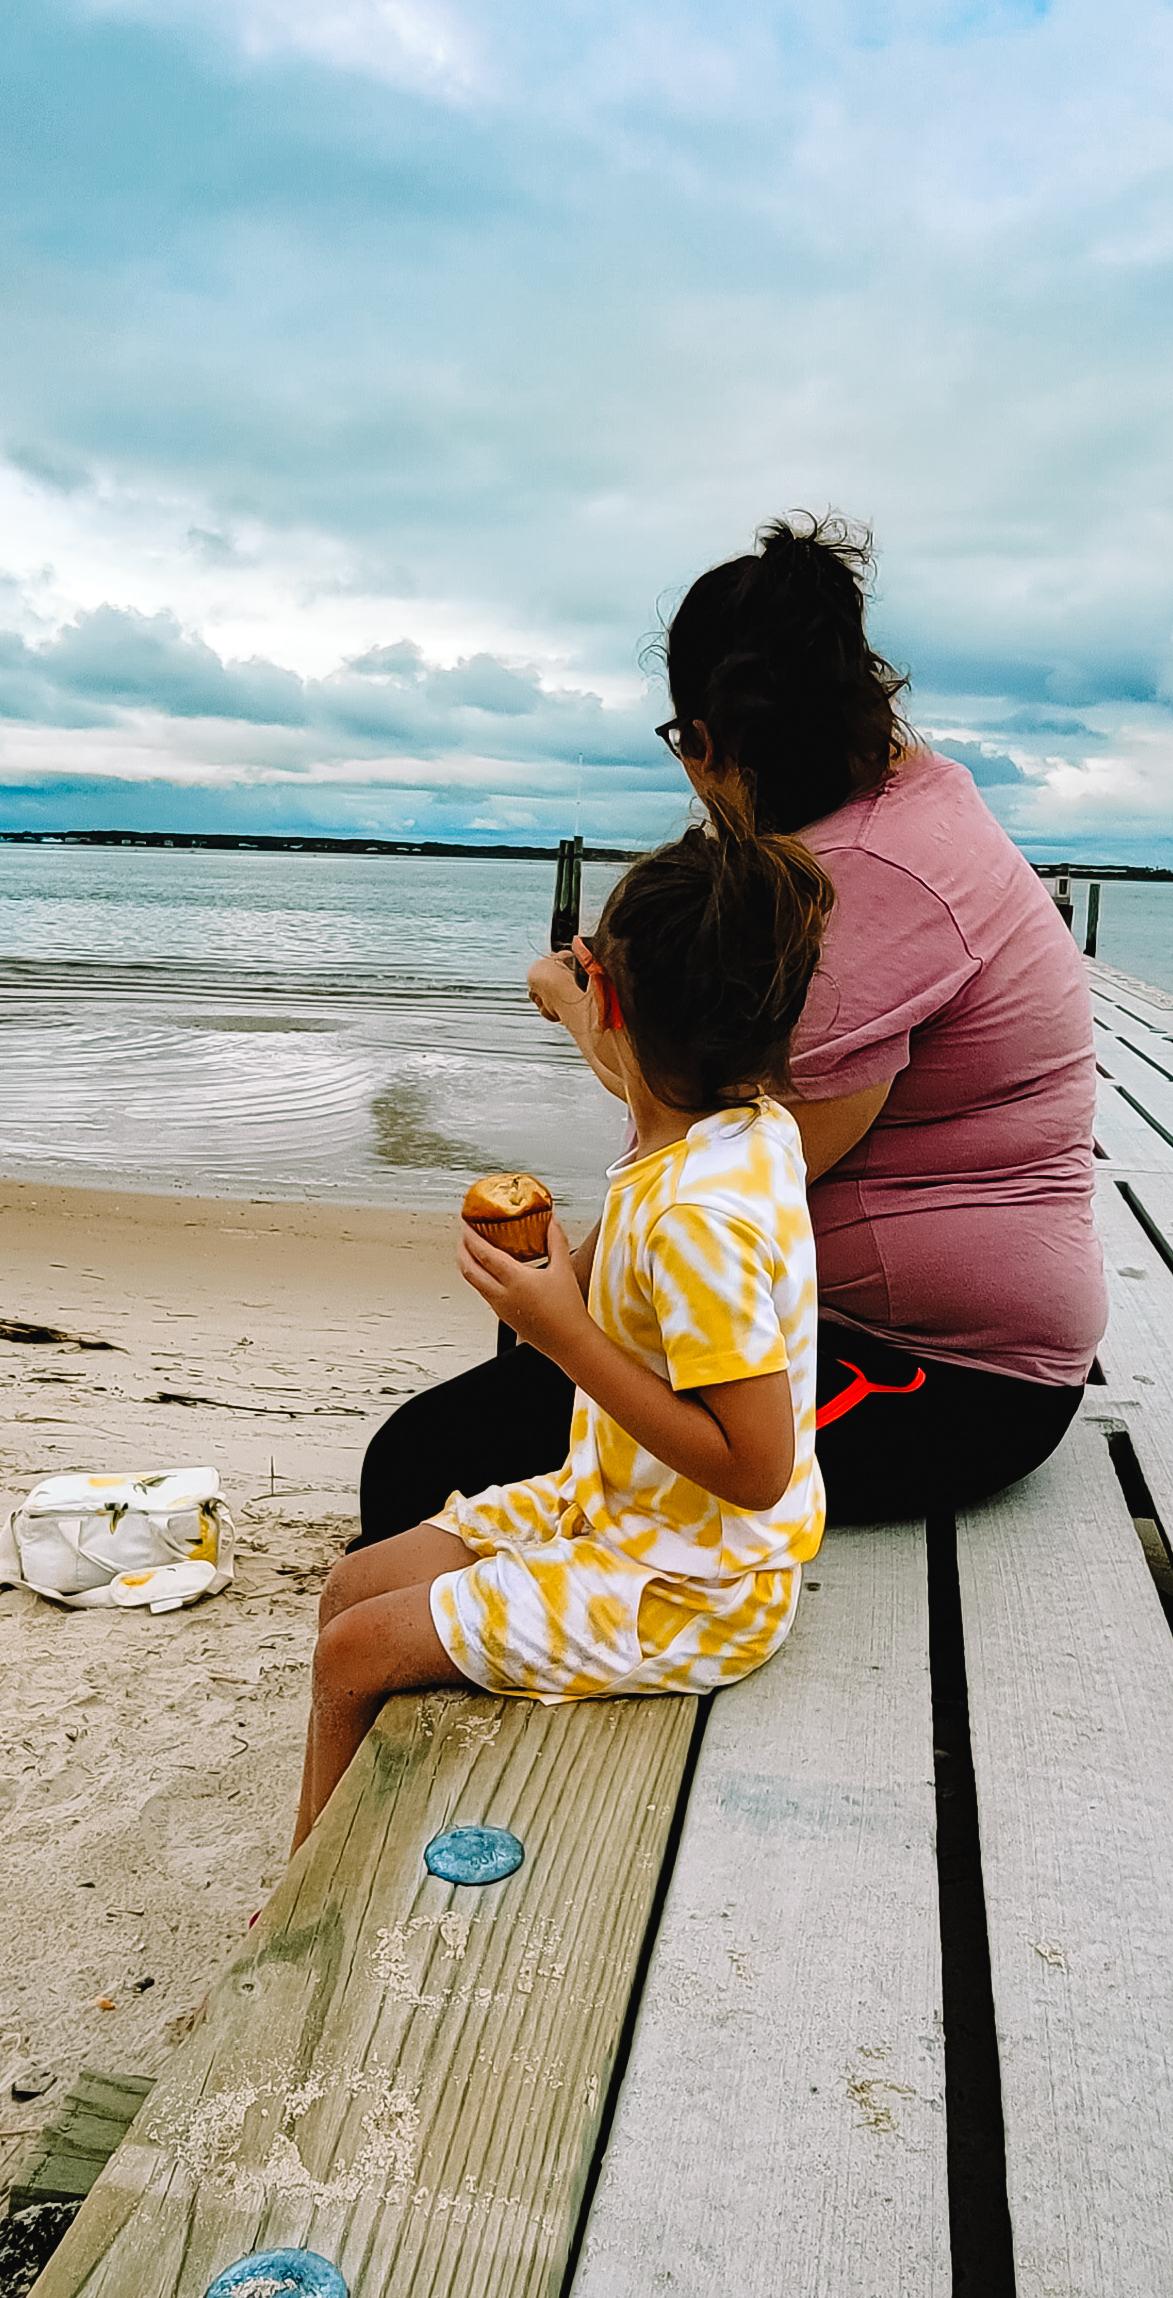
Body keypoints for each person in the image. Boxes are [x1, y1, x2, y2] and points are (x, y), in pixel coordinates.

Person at [357, 513, 1101, 1540]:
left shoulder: (866, 881)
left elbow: (731, 1143)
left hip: (944, 1374)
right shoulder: (892, 812)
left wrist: (582, 1009)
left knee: (425, 1463)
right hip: (838, 1319)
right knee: (488, 1417)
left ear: (707, 738)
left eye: (684, 747)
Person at [298, 792, 830, 1849]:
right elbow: (628, 1065)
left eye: (597, 989)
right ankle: (350, 1838)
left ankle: (308, 1898)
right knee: (355, 1584)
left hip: (691, 1586)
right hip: (616, 1509)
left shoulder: (699, 1222)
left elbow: (757, 1462)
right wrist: (570, 990)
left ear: (620, 1006)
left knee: (349, 1653)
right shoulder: (731, 1119)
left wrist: (563, 1336)